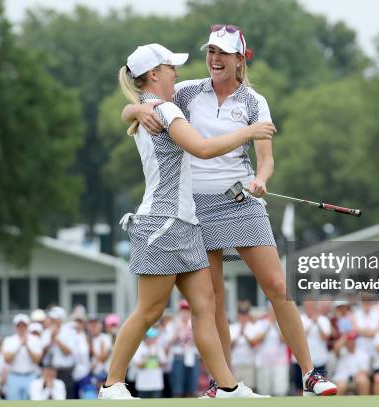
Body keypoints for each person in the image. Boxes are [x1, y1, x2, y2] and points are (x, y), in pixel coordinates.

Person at [123, 24, 338, 398]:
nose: (215, 60)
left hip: (241, 201)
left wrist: (262, 179)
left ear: (240, 59)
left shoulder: (255, 102)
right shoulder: (188, 92)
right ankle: (226, 384)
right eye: (211, 52)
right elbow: (138, 100)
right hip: (196, 207)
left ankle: (309, 373)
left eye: (223, 53)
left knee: (276, 286)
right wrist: (137, 110)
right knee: (213, 300)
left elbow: (266, 160)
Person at [99, 43, 275, 400]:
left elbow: (129, 109)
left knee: (205, 307)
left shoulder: (154, 108)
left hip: (186, 222)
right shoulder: (163, 109)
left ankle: (227, 386)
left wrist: (133, 106)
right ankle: (111, 383)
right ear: (154, 75)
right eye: (170, 68)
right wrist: (249, 132)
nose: (176, 73)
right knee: (149, 310)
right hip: (162, 222)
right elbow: (203, 149)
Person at [1, 314, 42, 400]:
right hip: (14, 376)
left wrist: (27, 346)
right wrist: (19, 345)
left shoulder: (35, 340)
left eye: (24, 326)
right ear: (15, 327)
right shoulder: (9, 340)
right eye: (19, 326)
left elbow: (37, 360)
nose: (21, 328)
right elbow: (7, 359)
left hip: (31, 375)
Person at [332, 331, 370, 395]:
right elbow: (336, 348)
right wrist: (345, 336)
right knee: (342, 386)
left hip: (356, 378)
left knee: (363, 381)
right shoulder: (342, 351)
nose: (351, 342)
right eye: (349, 340)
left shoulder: (362, 353)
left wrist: (358, 376)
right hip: (341, 378)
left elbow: (366, 371)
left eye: (352, 340)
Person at [134, 328, 167, 398]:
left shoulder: (158, 348)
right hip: (143, 385)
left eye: (155, 337)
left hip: (157, 385)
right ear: (146, 338)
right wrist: (148, 355)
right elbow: (138, 365)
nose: (154, 339)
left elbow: (164, 363)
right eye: (152, 337)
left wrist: (158, 356)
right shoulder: (139, 348)